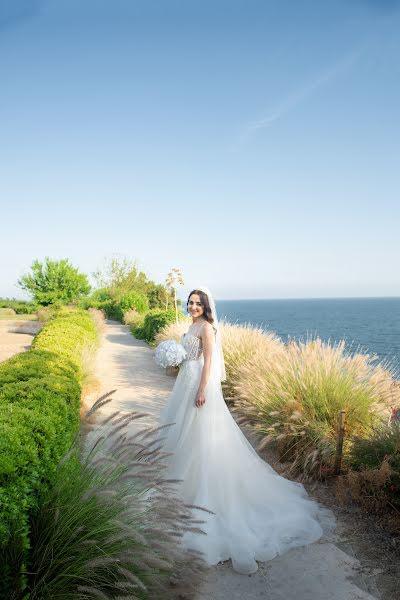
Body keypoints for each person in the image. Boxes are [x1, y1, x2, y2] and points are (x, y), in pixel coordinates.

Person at [156, 285, 333, 575]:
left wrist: (201, 389)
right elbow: (190, 357)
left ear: (206, 307)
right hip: (184, 383)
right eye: (190, 302)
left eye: (198, 303)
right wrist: (175, 360)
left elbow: (209, 363)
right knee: (183, 435)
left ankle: (206, 493)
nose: (193, 306)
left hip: (198, 387)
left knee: (203, 439)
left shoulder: (208, 329)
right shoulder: (191, 326)